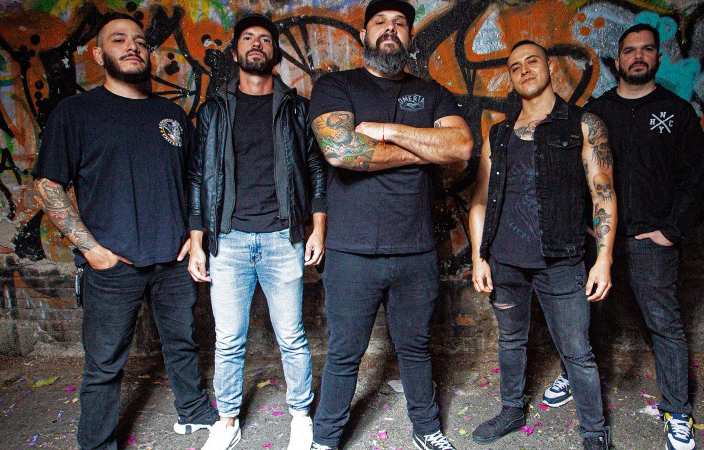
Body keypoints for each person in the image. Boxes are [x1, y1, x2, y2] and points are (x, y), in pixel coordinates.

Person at [31, 13, 219, 450]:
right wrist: (92, 250)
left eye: (139, 40)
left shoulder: (171, 114)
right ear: (99, 55)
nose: (132, 46)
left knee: (182, 343)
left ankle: (193, 412)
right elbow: (47, 184)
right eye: (119, 40)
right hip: (112, 264)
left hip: (172, 261)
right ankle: (97, 443)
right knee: (104, 364)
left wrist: (193, 238)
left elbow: (196, 181)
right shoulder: (75, 113)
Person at [305, 1, 473, 448]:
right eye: (380, 23)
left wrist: (387, 130)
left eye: (400, 24)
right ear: (364, 35)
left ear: (409, 36)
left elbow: (460, 146)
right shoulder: (336, 86)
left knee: (415, 348)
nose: (390, 29)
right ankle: (325, 439)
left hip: (415, 250)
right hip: (351, 251)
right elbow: (341, 151)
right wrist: (422, 151)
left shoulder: (431, 92)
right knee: (345, 353)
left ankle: (427, 430)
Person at [540, 23, 704, 450]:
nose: (638, 56)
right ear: (618, 61)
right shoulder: (596, 112)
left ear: (658, 58)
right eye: (630, 50)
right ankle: (571, 375)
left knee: (664, 325)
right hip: (599, 240)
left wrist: (670, 231)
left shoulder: (677, 112)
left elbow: (694, 179)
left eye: (646, 49)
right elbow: (578, 174)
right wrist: (584, 224)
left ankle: (677, 412)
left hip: (650, 240)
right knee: (581, 317)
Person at [186, 13, 327, 450]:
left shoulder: (296, 108)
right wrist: (197, 242)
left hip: (283, 238)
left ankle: (300, 416)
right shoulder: (213, 110)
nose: (256, 45)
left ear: (274, 52)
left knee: (292, 337)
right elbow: (198, 177)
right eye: (248, 38)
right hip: (227, 240)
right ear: (235, 52)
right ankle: (227, 420)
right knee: (228, 339)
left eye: (265, 39)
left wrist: (317, 228)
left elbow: (316, 169)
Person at [467, 40, 616, 450]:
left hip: (561, 260)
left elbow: (602, 193)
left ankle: (594, 434)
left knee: (577, 351)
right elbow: (480, 200)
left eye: (532, 61)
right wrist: (480, 257)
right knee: (511, 341)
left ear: (549, 65)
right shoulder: (499, 134)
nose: (524, 70)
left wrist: (603, 259)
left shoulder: (583, 124)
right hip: (505, 261)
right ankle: (512, 410)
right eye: (515, 66)